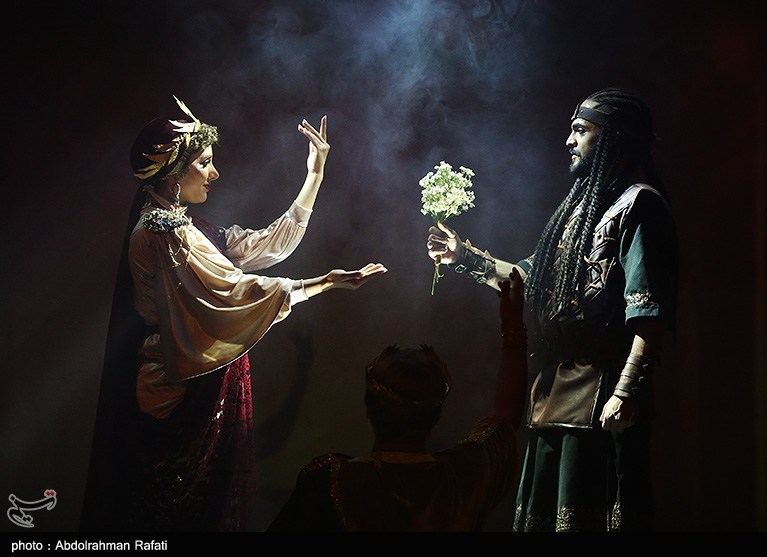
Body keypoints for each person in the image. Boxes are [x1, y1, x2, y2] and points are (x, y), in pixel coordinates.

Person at [80, 96, 387, 532]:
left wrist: (314, 175)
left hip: (198, 384)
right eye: (204, 163)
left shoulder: (186, 226)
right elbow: (235, 292)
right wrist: (324, 283)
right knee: (180, 513)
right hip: (180, 394)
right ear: (173, 172)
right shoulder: (163, 233)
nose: (215, 173)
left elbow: (266, 245)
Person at [426, 88, 678, 531]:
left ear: (613, 138)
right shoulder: (578, 209)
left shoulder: (640, 205)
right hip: (551, 396)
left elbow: (649, 313)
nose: (568, 140)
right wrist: (463, 256)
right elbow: (529, 278)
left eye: (581, 130)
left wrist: (625, 392)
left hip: (602, 400)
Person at [267, 268, 528, 532]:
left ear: (368, 406)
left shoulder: (330, 482)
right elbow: (506, 417)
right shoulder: (463, 477)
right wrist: (513, 327)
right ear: (437, 414)